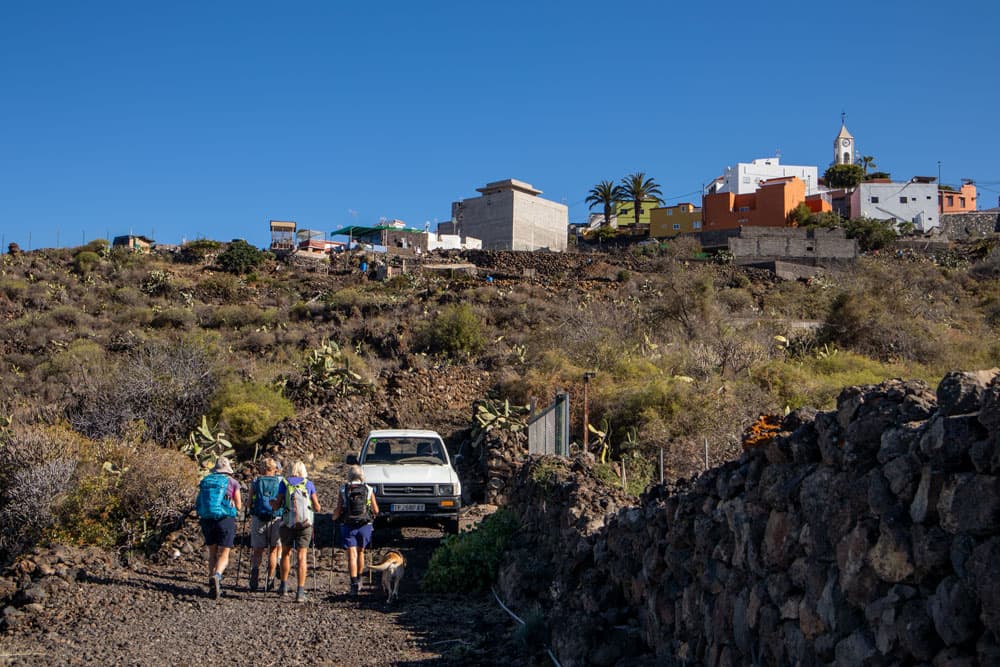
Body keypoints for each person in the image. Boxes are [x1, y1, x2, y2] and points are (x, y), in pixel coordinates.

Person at [271, 460, 321, 603]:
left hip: (287, 524)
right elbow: (317, 508)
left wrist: (271, 503)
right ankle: (300, 592)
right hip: (305, 525)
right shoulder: (308, 484)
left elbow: (277, 505)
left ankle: (283, 586)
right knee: (301, 556)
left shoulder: (284, 483)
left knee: (285, 554)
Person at [196, 456, 242, 599]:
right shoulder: (233, 482)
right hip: (225, 520)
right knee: (224, 553)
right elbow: (239, 506)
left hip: (207, 520)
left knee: (212, 553)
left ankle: (211, 585)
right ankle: (217, 575)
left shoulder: (206, 481)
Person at [333, 465, 379, 597]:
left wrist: (334, 517)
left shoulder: (344, 489)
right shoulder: (368, 489)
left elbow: (338, 510)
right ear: (361, 476)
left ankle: (353, 584)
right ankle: (359, 579)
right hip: (365, 525)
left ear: (349, 475)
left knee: (351, 555)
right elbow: (376, 510)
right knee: (361, 552)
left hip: (348, 525)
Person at [247, 457, 283, 592]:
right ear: (274, 469)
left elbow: (249, 502)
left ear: (262, 468)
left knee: (258, 550)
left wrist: (250, 507)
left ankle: (255, 574)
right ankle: (270, 580)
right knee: (273, 550)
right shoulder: (280, 481)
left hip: (259, 518)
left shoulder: (256, 481)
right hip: (276, 518)